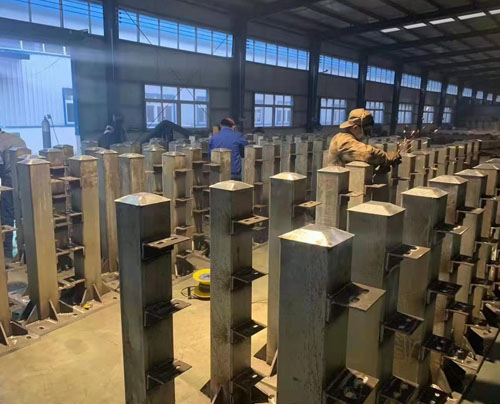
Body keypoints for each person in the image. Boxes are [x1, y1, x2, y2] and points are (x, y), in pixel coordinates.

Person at [328, 108, 403, 169]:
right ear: (355, 128)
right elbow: (368, 153)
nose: (368, 135)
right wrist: (387, 157)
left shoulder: (352, 139)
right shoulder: (343, 140)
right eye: (366, 131)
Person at [0, 128, 27, 259]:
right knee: (26, 216)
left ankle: (7, 254)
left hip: (10, 181)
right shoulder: (16, 139)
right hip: (27, 179)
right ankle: (25, 250)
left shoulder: (1, 143)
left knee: (7, 216)